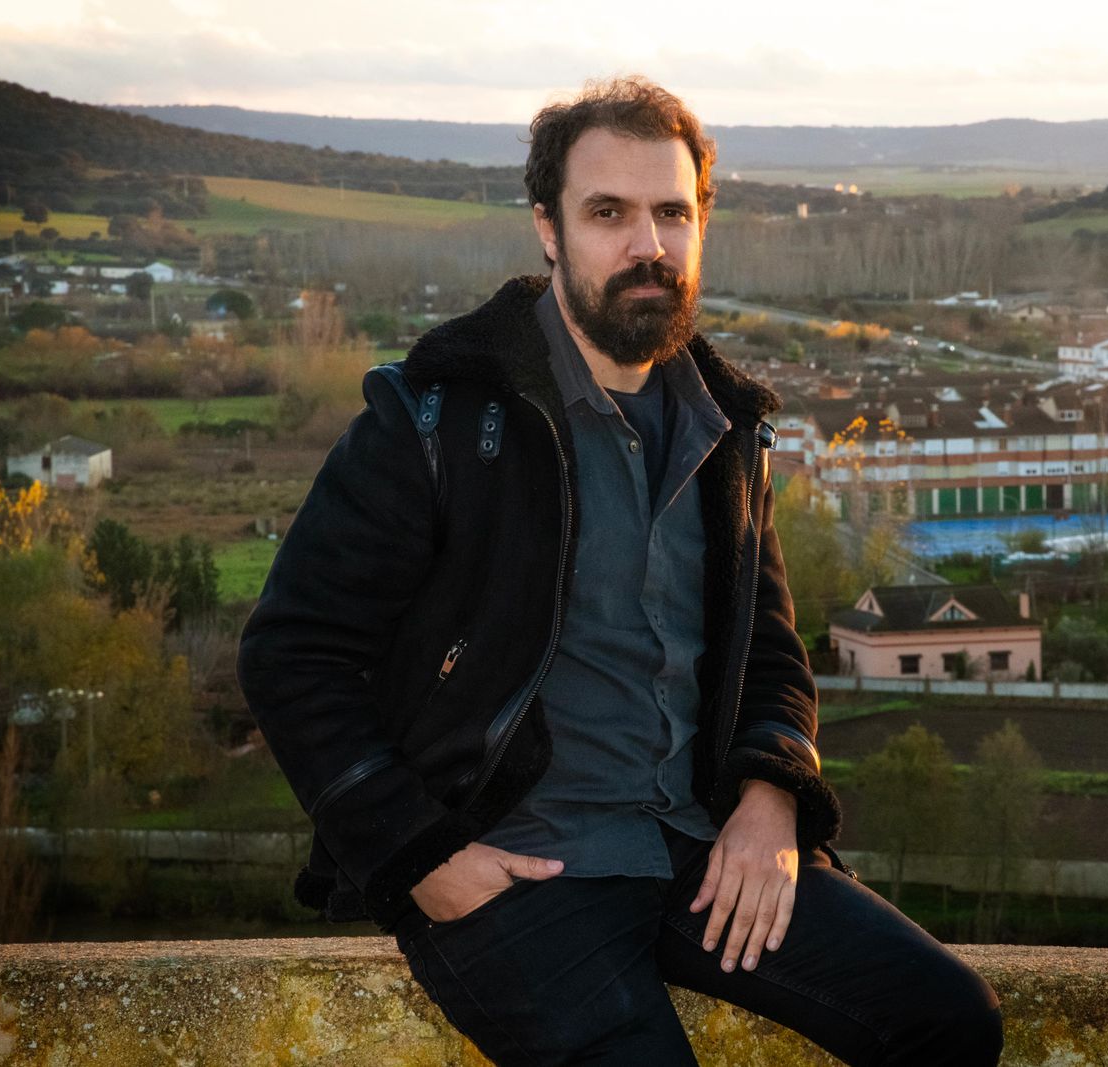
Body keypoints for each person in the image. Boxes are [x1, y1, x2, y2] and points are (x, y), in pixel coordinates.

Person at [236, 76, 1003, 1067]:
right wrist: (416, 854)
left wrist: (772, 794)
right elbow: (292, 651)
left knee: (950, 1020)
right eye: (609, 213)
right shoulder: (437, 418)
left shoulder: (724, 424)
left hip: (698, 843)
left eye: (671, 213)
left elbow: (768, 646)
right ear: (549, 230)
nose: (648, 243)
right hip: (516, 863)